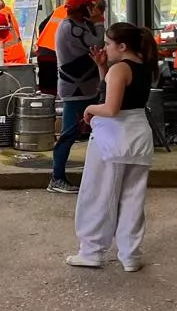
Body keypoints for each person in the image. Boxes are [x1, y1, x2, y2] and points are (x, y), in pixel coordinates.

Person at [67, 23, 158, 272]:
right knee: (132, 198)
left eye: (108, 43)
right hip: (139, 136)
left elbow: (110, 107)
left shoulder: (119, 69)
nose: (105, 47)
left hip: (113, 137)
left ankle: (92, 250)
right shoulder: (143, 66)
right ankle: (130, 255)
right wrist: (101, 67)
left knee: (99, 195)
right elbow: (117, 94)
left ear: (122, 46)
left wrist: (88, 109)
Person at [48, 0, 102, 194]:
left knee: (95, 132)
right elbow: (97, 45)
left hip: (85, 88)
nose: (92, 9)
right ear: (82, 8)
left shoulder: (77, 25)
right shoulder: (70, 28)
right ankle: (57, 177)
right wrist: (99, 22)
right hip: (76, 89)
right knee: (68, 134)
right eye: (89, 6)